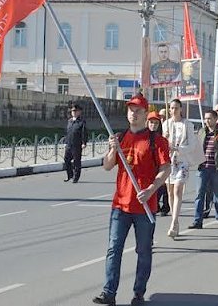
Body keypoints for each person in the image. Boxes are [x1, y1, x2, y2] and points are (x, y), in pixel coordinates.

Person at [93, 94, 171, 306]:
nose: (133, 113)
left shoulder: (156, 141)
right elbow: (108, 166)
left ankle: (138, 293)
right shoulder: (120, 138)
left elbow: (165, 169)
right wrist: (112, 149)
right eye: (130, 110)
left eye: (138, 110)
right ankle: (109, 292)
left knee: (143, 251)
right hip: (121, 205)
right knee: (113, 249)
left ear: (146, 114)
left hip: (145, 206)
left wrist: (151, 189)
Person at [162, 99, 201, 238]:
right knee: (170, 192)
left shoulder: (187, 125)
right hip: (169, 162)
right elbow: (162, 144)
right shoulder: (166, 124)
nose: (173, 110)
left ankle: (173, 222)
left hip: (182, 161)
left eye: (176, 108)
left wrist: (177, 148)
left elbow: (192, 145)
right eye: (171, 108)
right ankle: (175, 219)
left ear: (181, 109)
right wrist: (164, 139)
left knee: (178, 189)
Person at [190, 110, 218, 229]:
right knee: (199, 195)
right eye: (205, 118)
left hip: (217, 169)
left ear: (215, 119)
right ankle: (198, 220)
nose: (207, 121)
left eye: (209, 118)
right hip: (202, 168)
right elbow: (196, 148)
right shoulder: (202, 132)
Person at [148, 111, 170, 217]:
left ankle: (165, 207)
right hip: (148, 169)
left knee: (162, 188)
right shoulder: (143, 138)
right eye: (151, 122)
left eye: (156, 123)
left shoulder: (162, 140)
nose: (153, 125)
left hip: (159, 169)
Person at [63, 103, 88, 183]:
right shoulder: (69, 121)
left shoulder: (81, 122)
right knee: (66, 159)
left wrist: (84, 142)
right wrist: (65, 142)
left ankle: (76, 177)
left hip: (77, 145)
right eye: (72, 111)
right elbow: (68, 132)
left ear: (79, 112)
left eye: (75, 111)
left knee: (77, 161)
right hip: (69, 144)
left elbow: (84, 133)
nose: (73, 112)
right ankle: (70, 175)